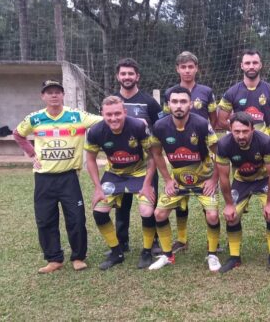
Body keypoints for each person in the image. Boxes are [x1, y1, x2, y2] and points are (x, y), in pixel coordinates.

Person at [13, 80, 102, 273]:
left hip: (69, 177)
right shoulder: (35, 119)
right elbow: (18, 134)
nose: (54, 95)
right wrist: (31, 153)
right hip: (44, 179)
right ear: (42, 96)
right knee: (45, 220)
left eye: (57, 92)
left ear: (63, 95)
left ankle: (78, 257)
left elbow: (104, 121)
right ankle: (54, 259)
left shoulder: (76, 116)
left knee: (76, 219)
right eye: (49, 92)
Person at [148, 86, 221, 271]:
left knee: (212, 215)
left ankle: (212, 254)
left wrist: (213, 180)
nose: (178, 106)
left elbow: (220, 154)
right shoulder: (159, 126)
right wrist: (167, 179)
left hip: (203, 179)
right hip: (178, 180)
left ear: (190, 104)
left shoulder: (202, 124)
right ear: (168, 105)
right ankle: (167, 255)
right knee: (159, 213)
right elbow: (156, 154)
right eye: (174, 102)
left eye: (183, 101)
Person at [84, 96, 157, 270]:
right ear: (102, 114)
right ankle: (116, 252)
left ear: (125, 112)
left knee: (146, 211)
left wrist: (147, 184)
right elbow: (91, 160)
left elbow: (153, 157)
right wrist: (97, 188)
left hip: (139, 171)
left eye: (117, 113)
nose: (113, 118)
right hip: (114, 173)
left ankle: (147, 251)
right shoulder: (95, 131)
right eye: (109, 114)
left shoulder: (139, 126)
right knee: (99, 211)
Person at [160, 51, 219, 253]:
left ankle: (214, 244)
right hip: (179, 152)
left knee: (207, 196)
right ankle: (182, 239)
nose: (187, 70)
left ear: (196, 68)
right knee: (180, 199)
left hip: (202, 150)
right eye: (183, 67)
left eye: (190, 67)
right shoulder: (169, 92)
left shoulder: (206, 91)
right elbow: (166, 121)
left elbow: (214, 119)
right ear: (177, 69)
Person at [215, 112, 270, 273]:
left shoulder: (265, 141)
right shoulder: (223, 144)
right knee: (232, 217)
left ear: (252, 129)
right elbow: (223, 178)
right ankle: (234, 257)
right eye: (236, 131)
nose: (241, 135)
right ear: (230, 129)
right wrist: (229, 205)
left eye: (245, 131)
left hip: (263, 180)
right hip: (241, 181)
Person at [111, 58, 165, 255]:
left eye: (130, 73)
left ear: (137, 76)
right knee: (121, 205)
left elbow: (162, 125)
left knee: (150, 201)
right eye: (123, 74)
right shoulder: (113, 102)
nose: (127, 77)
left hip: (147, 163)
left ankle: (155, 241)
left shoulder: (149, 102)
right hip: (121, 163)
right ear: (118, 76)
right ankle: (122, 242)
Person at [217, 49, 270, 135]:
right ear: (242, 66)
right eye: (247, 63)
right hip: (239, 145)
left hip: (264, 145)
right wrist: (238, 131)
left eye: (255, 63)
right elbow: (221, 121)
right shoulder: (231, 92)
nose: (251, 66)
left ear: (260, 65)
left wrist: (267, 131)